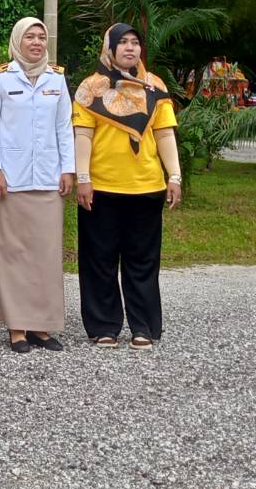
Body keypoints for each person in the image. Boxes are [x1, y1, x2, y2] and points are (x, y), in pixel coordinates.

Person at [72, 23, 182, 352]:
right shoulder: (91, 88)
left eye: (135, 42)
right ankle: (104, 326)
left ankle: (142, 326)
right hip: (101, 188)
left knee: (142, 261)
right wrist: (82, 178)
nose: (130, 48)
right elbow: (82, 136)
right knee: (99, 260)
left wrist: (174, 176)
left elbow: (165, 134)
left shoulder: (155, 87)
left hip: (146, 187)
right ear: (110, 48)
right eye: (123, 42)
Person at [0, 19, 74, 352]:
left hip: (47, 178)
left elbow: (64, 127)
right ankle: (17, 326)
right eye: (30, 37)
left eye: (41, 37)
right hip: (10, 180)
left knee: (45, 254)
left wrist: (68, 169)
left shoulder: (56, 78)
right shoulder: (0, 77)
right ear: (17, 41)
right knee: (12, 254)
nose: (36, 42)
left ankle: (41, 327)